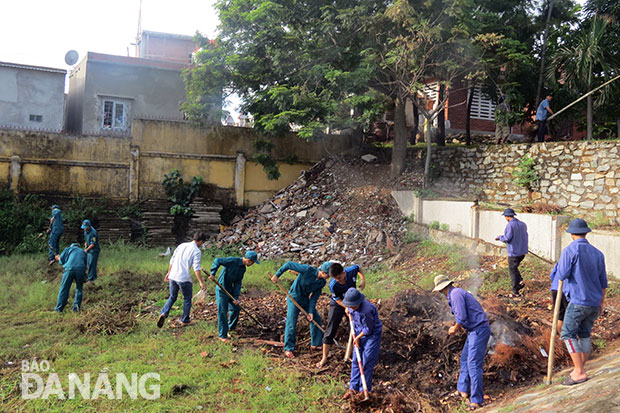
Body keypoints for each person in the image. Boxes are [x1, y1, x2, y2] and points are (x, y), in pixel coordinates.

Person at [556, 219, 607, 386]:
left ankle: (579, 371)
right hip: (594, 302)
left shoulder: (570, 251)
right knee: (584, 333)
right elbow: (603, 282)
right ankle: (580, 368)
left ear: (571, 234)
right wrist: (601, 302)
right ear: (586, 232)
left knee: (567, 333)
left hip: (578, 300)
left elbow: (562, 274)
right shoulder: (598, 253)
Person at [433, 275, 491, 410]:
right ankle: (462, 390)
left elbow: (462, 316)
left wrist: (455, 328)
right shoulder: (454, 294)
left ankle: (476, 400)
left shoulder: (455, 294)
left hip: (479, 330)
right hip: (473, 331)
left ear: (443, 288)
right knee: (464, 359)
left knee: (473, 364)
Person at [270, 261, 331, 358]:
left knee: (316, 319)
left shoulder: (321, 282)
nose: (329, 277)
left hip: (305, 300)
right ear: (323, 272)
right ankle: (288, 349)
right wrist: (277, 275)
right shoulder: (307, 269)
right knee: (291, 323)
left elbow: (314, 298)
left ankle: (315, 344)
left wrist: (310, 312)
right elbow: (288, 264)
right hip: (294, 297)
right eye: (329, 275)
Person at [316, 262, 366, 368]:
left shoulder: (351, 270)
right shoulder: (333, 284)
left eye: (339, 277)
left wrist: (363, 280)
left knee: (353, 328)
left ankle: (349, 356)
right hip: (338, 303)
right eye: (335, 278)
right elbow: (337, 299)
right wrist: (346, 307)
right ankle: (324, 357)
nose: (338, 280)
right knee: (331, 328)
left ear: (343, 273)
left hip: (352, 302)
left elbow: (359, 267)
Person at [157, 232, 207, 328]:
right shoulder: (196, 251)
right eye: (202, 243)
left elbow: (172, 259)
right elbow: (196, 268)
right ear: (200, 241)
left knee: (172, 297)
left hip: (173, 275)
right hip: (183, 278)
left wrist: (169, 272)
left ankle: (163, 313)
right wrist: (201, 282)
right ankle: (185, 320)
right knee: (187, 299)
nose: (202, 245)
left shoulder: (182, 245)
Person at [209, 251, 260, 342]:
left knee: (235, 308)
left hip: (230, 290)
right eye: (253, 262)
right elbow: (217, 260)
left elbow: (238, 283)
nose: (252, 264)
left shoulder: (243, 269)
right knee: (222, 312)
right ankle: (222, 335)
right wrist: (213, 273)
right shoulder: (232, 260)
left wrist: (236, 297)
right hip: (222, 289)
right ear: (248, 260)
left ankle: (231, 328)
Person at [341, 288, 382, 401]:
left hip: (371, 335)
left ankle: (364, 389)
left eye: (352, 306)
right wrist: (347, 310)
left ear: (358, 302)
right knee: (356, 360)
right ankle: (353, 388)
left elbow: (368, 329)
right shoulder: (351, 305)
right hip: (359, 332)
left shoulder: (366, 311)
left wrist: (358, 338)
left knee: (366, 361)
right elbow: (348, 308)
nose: (351, 307)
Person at [495, 208, 528, 297]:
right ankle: (520, 281)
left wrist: (500, 237)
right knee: (514, 268)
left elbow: (507, 238)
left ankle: (515, 291)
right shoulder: (523, 224)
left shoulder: (510, 225)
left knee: (512, 270)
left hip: (514, 252)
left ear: (506, 216)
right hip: (522, 252)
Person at [53, 243, 87, 312]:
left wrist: (58, 258)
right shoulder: (83, 252)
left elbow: (61, 261)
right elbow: (85, 264)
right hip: (80, 270)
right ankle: (76, 309)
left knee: (64, 289)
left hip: (69, 269)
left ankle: (59, 309)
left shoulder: (67, 249)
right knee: (79, 288)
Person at [549, 263, 569, 334]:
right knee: (569, 314)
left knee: (560, 314)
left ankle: (561, 335)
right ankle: (568, 337)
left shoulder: (561, 261)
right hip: (567, 290)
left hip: (555, 288)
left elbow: (552, 275)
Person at [81, 220, 100, 284]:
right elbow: (86, 239)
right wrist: (86, 244)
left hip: (94, 251)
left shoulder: (93, 233)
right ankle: (93, 276)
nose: (85, 229)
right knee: (88, 264)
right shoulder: (85, 231)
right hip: (89, 250)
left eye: (86, 227)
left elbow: (93, 244)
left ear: (89, 226)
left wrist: (87, 249)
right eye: (84, 227)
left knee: (91, 264)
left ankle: (91, 280)